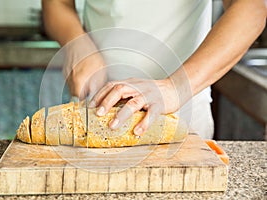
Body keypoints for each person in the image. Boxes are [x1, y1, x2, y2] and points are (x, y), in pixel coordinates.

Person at [42, 0, 266, 139]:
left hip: (182, 115)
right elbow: (57, 4)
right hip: (94, 108)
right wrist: (76, 42)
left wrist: (174, 88)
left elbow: (251, 7)